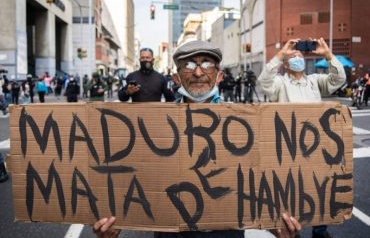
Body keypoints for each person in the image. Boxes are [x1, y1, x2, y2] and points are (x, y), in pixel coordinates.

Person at [93, 40, 302, 238]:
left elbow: (262, 173)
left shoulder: (245, 123)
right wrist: (114, 218)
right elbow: (134, 173)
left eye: (207, 64)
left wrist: (276, 220)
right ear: (176, 79)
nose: (198, 72)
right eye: (189, 65)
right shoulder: (155, 128)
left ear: (219, 77)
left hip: (226, 233)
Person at [258, 38, 346, 238]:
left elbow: (338, 80)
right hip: (288, 145)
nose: (297, 57)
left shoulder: (315, 81)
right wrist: (281, 54)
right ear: (286, 65)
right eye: (292, 56)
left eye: (300, 55)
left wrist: (328, 54)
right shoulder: (279, 84)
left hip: (315, 145)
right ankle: (291, 228)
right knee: (290, 187)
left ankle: (320, 230)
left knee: (319, 186)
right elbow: (264, 83)